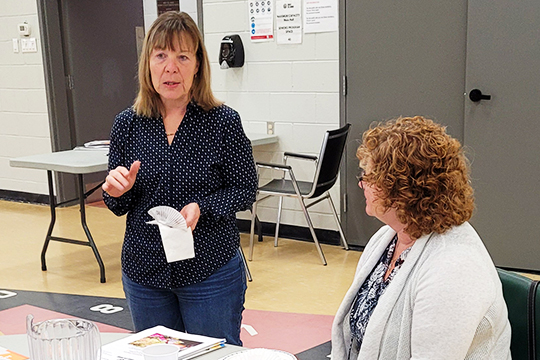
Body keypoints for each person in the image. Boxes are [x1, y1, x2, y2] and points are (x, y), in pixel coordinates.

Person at [102, 11, 257, 346]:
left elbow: (246, 189)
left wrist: (203, 206)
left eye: (182, 56)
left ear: (198, 65)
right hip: (145, 272)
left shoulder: (222, 123)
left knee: (216, 353)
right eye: (161, 56)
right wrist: (116, 190)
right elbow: (118, 203)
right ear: (148, 64)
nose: (170, 68)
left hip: (210, 270)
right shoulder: (127, 125)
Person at [331, 116, 511, 359]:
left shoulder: (453, 268)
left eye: (369, 177)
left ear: (402, 190)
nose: (362, 185)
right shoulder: (387, 238)